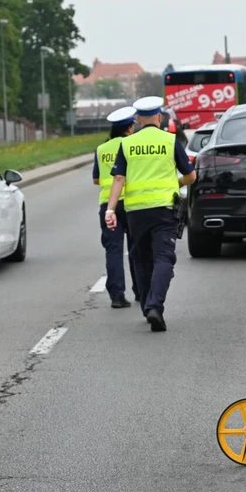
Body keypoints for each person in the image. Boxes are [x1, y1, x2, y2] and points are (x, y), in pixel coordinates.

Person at [105, 96, 197, 332]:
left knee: (141, 258)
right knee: (164, 258)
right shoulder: (170, 140)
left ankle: (148, 304)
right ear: (159, 117)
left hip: (136, 212)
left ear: (137, 120)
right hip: (164, 209)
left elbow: (118, 178)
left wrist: (111, 209)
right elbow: (191, 176)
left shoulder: (127, 144)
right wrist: (175, 182)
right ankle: (155, 305)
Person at [94, 106, 140, 309]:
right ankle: (140, 290)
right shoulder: (132, 145)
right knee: (136, 248)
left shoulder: (101, 149)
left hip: (108, 205)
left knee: (113, 250)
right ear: (129, 128)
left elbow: (96, 179)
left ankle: (117, 296)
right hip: (131, 203)